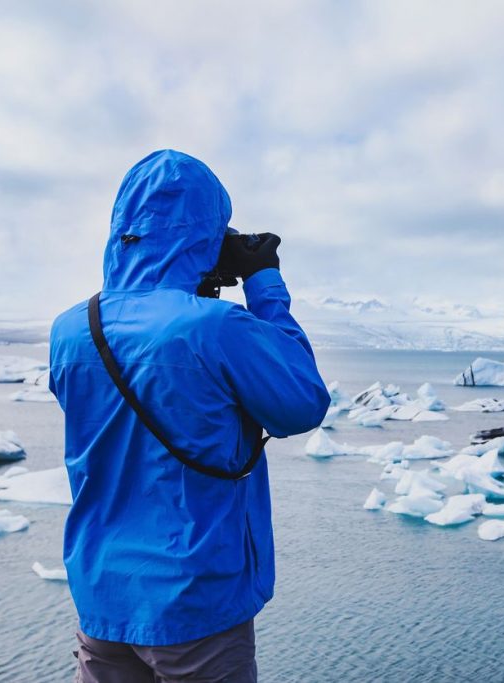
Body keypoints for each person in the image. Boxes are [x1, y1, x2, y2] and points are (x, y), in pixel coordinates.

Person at [49, 149, 330, 682]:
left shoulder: (70, 329)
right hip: (194, 597)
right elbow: (302, 403)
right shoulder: (214, 327)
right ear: (204, 234)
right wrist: (263, 280)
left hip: (101, 593)